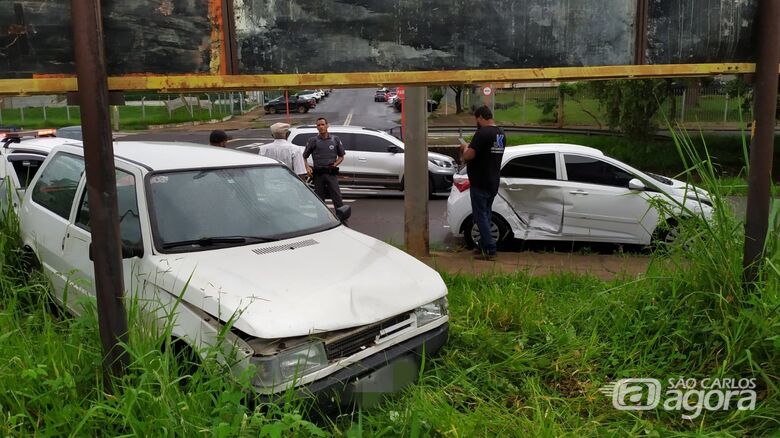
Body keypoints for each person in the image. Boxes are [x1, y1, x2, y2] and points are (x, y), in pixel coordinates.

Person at [461, 105, 505, 261]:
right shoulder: (500, 134)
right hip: (493, 181)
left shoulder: (482, 133)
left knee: (480, 216)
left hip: (480, 181)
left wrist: (465, 147)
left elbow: (469, 156)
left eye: (476, 119)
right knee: (486, 214)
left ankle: (490, 250)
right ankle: (483, 246)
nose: (476, 122)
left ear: (480, 117)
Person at [303, 117, 345, 208]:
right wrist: (307, 167)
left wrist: (335, 164)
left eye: (323, 124)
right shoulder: (313, 141)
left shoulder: (335, 139)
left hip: (331, 173)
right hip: (318, 174)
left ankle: (342, 218)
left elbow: (341, 156)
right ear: (316, 127)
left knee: (337, 197)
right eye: (318, 125)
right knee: (319, 199)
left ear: (327, 125)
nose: (321, 127)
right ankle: (322, 219)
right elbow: (304, 156)